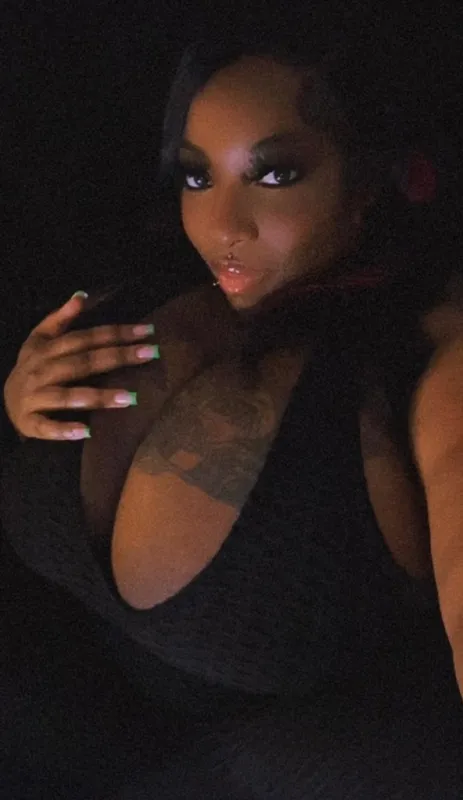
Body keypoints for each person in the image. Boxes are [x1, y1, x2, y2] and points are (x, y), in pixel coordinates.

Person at [2, 23, 463, 799]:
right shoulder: (144, 293)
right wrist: (16, 397)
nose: (220, 226)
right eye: (196, 176)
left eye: (274, 174)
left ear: (369, 181)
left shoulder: (428, 360)